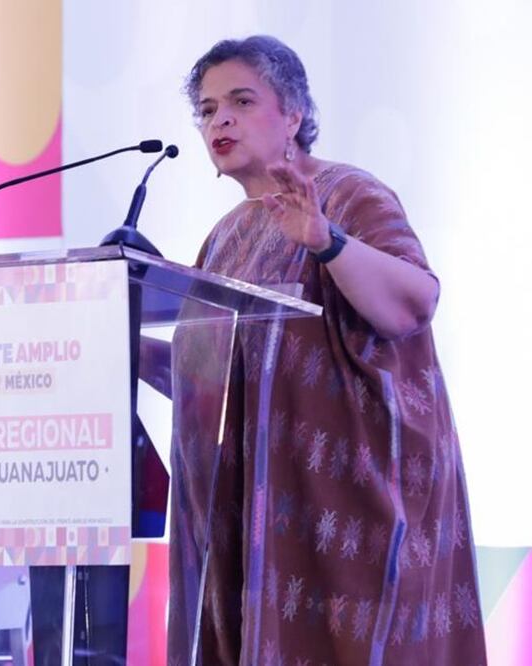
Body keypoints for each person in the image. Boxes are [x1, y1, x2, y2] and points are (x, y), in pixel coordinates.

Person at [172, 36, 487, 664]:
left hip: (353, 503)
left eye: (241, 100)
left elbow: (416, 300)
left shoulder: (348, 196)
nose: (220, 120)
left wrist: (327, 241)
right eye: (207, 110)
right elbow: (208, 376)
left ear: (294, 114)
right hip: (258, 509)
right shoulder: (227, 235)